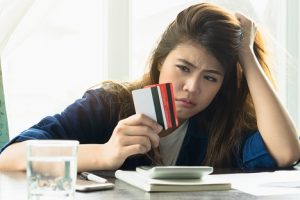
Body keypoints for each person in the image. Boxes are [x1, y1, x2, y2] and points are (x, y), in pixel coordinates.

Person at [0, 3, 299, 172]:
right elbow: (10, 157)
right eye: (183, 68)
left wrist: (246, 54)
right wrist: (104, 154)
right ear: (159, 63)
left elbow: (286, 153)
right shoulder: (110, 104)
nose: (191, 87)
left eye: (211, 77)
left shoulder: (221, 125)